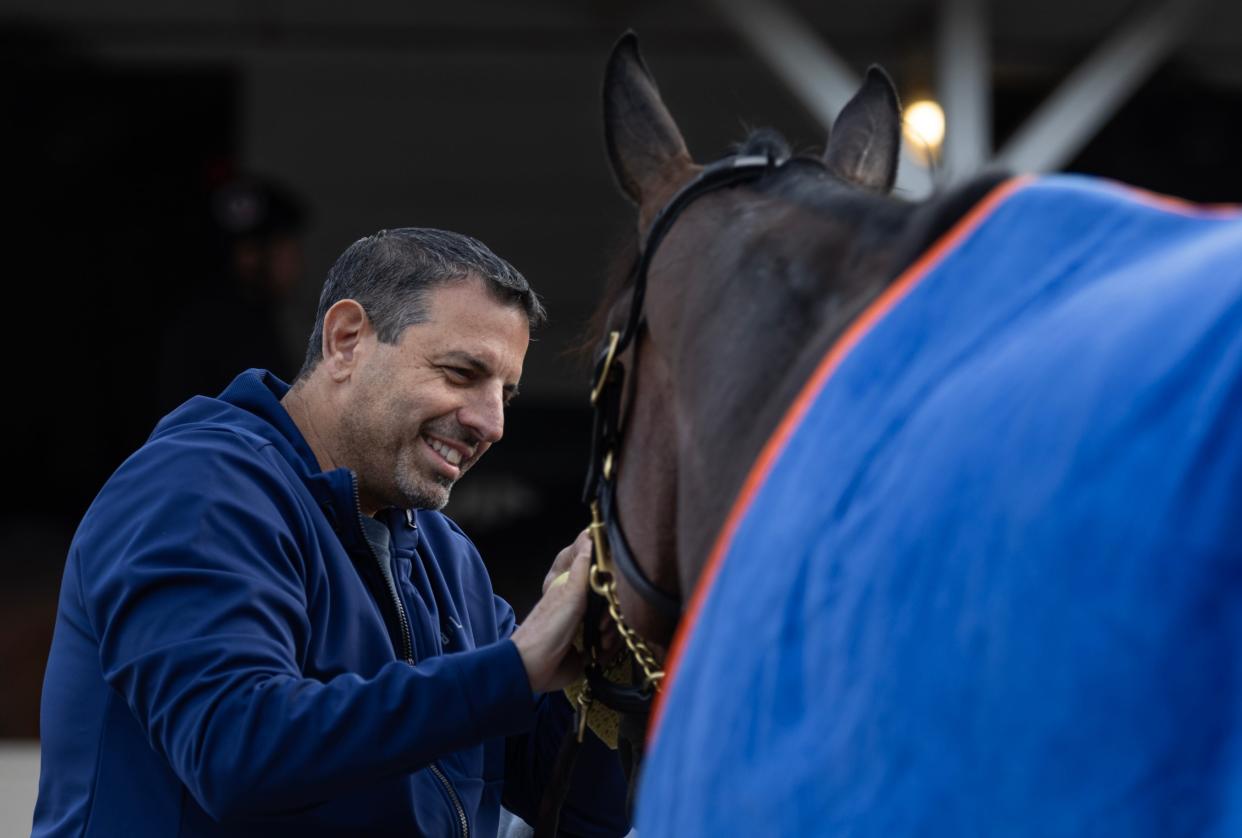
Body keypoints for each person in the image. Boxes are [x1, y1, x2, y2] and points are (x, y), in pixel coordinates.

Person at [34, 228, 629, 836]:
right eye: (460, 373)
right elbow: (236, 750)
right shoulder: (193, 487)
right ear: (346, 340)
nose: (493, 423)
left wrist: (603, 672)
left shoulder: (448, 558)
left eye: (504, 392)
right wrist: (516, 665)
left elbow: (578, 813)